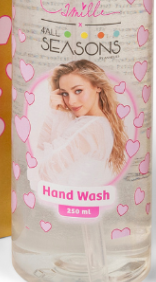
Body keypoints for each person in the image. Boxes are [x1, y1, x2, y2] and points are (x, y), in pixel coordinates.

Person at [26, 60, 127, 190]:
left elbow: (40, 173)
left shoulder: (89, 128)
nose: (71, 101)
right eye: (64, 93)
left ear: (97, 86)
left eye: (78, 91)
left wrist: (54, 112)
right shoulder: (101, 123)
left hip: (67, 198)